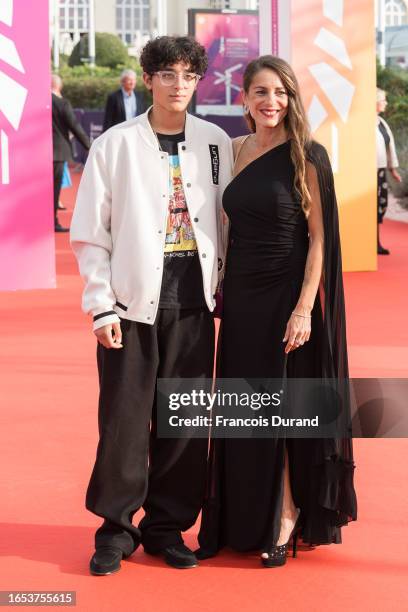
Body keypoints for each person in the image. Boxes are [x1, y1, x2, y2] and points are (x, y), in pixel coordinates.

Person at [70, 36, 233, 575]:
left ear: (197, 81)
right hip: (130, 300)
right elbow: (92, 233)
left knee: (184, 421)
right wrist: (100, 306)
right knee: (123, 421)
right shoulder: (114, 145)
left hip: (193, 299)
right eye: (167, 74)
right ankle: (116, 530)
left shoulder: (215, 142)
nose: (178, 85)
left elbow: (229, 226)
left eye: (188, 75)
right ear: (147, 78)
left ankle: (168, 527)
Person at [197, 55, 357, 567]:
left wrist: (305, 309)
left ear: (291, 99)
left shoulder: (308, 155)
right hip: (241, 299)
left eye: (281, 93)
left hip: (286, 295)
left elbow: (319, 240)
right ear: (244, 98)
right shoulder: (234, 150)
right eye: (261, 92)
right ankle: (236, 519)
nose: (272, 102)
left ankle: (284, 517)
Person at [51, 74, 90, 232]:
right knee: (54, 190)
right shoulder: (62, 103)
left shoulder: (37, 102)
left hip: (38, 155)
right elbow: (75, 127)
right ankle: (53, 222)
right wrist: (89, 146)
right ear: (59, 87)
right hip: (58, 153)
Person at [376, 87, 402, 255]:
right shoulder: (365, 123)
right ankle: (371, 242)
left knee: (380, 205)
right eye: (383, 100)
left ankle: (375, 242)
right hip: (368, 173)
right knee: (370, 207)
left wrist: (392, 169)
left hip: (380, 171)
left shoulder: (381, 122)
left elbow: (389, 146)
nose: (386, 103)